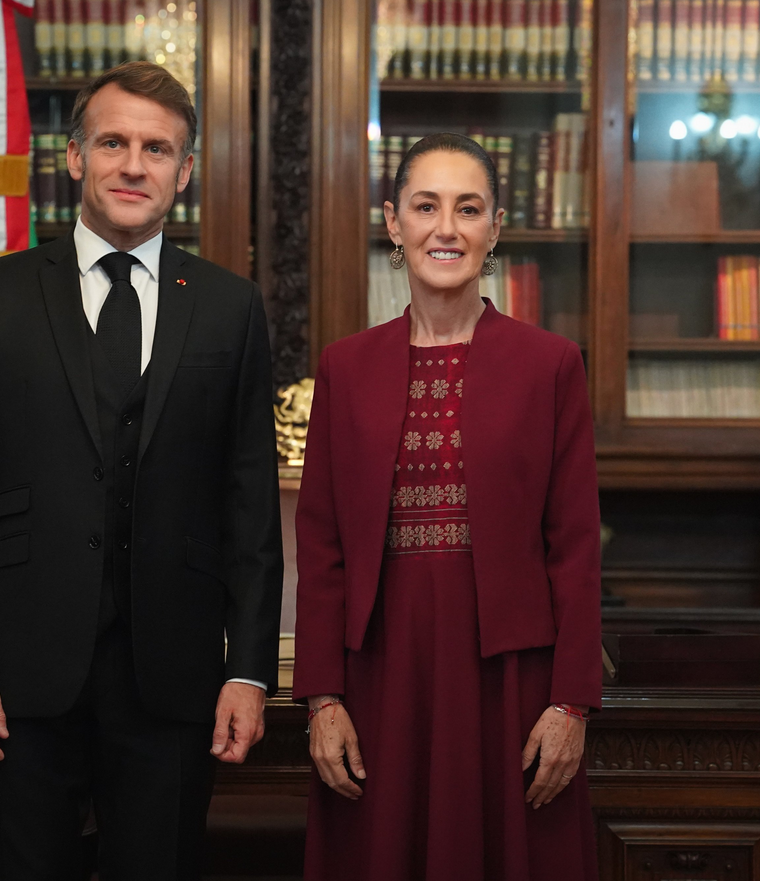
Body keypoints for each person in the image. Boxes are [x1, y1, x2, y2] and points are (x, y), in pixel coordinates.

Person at [0, 61, 283, 881]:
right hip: (16, 675)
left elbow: (248, 504)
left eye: (157, 149)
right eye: (113, 142)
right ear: (75, 157)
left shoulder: (229, 307)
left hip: (174, 674)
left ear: (184, 172)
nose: (133, 164)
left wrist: (249, 669)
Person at [293, 132, 602, 881]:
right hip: (380, 675)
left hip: (509, 682)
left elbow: (574, 546)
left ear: (494, 228)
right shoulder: (344, 365)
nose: (446, 228)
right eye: (425, 206)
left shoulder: (550, 364)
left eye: (468, 209)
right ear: (392, 223)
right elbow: (322, 545)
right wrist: (320, 699)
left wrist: (570, 706)